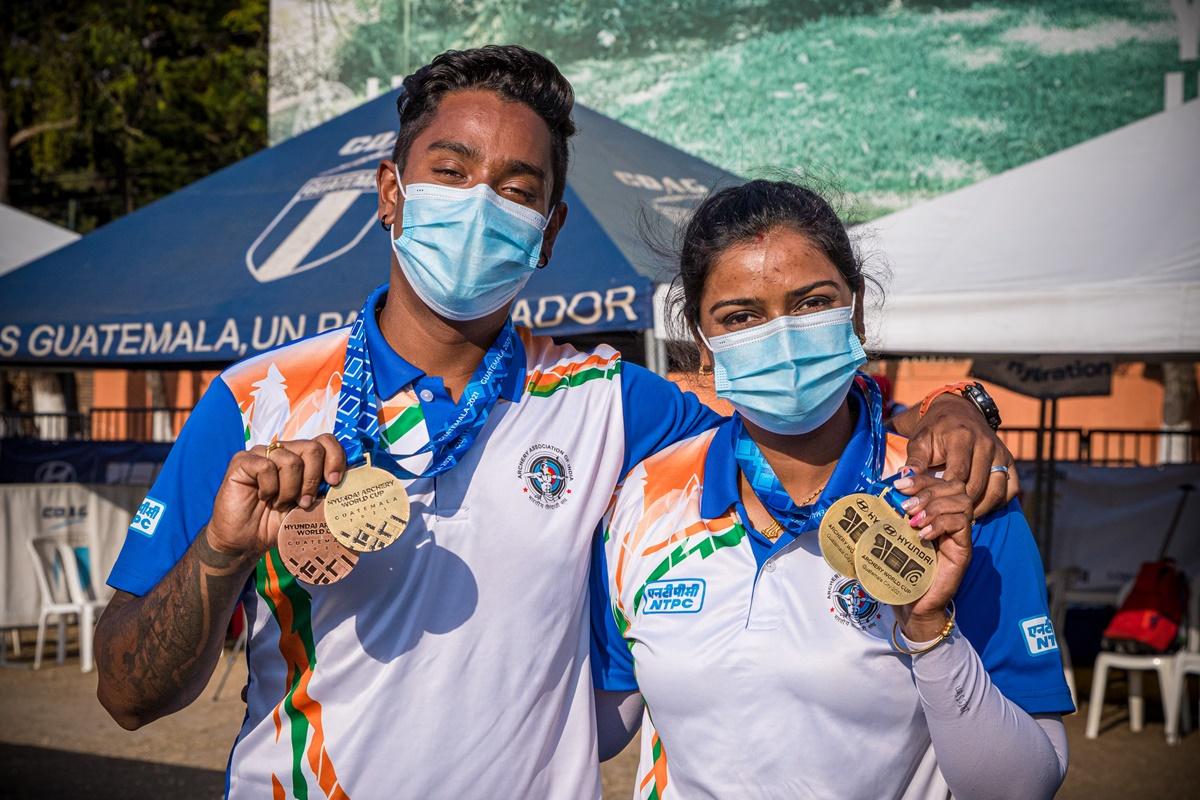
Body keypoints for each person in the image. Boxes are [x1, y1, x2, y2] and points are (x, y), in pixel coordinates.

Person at [94, 47, 1017, 798]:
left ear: (549, 225)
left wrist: (953, 409)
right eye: (450, 172)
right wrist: (220, 554)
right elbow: (127, 694)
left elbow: (797, 403)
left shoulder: (611, 400)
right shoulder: (257, 399)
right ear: (390, 193)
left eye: (515, 188)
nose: (477, 205)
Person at [591, 180, 1073, 799]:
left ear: (858, 310)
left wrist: (929, 633)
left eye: (813, 303)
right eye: (740, 316)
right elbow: (604, 726)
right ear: (702, 344)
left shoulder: (956, 498)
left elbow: (1023, 787)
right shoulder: (643, 501)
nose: (782, 336)